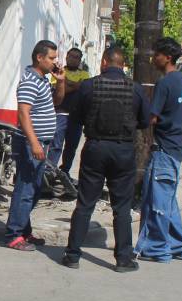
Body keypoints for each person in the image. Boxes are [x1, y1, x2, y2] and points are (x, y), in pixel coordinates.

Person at [62, 47, 149, 273]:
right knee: (122, 207)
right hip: (123, 151)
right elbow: (144, 121)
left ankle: (72, 255)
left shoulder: (88, 85)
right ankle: (123, 259)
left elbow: (76, 118)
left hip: (95, 148)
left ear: (103, 62)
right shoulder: (136, 88)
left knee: (85, 204)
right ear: (123, 65)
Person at [134, 38, 182, 262]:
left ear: (167, 57)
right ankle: (180, 246)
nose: (153, 58)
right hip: (176, 148)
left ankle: (157, 248)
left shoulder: (165, 83)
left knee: (156, 201)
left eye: (157, 54)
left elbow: (152, 117)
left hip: (164, 149)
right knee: (168, 199)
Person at [5, 40, 65, 251]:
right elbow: (23, 113)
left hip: (41, 142)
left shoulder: (42, 80)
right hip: (32, 143)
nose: (55, 62)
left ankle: (24, 230)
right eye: (51, 58)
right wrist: (34, 143)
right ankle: (14, 234)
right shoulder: (30, 80)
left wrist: (61, 82)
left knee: (35, 188)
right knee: (26, 189)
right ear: (39, 58)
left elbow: (57, 102)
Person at [57, 50, 91, 176]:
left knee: (71, 148)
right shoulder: (59, 71)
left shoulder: (85, 74)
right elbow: (59, 89)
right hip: (60, 114)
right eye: (72, 56)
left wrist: (65, 82)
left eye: (77, 58)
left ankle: (64, 172)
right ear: (66, 57)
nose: (74, 59)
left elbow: (82, 88)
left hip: (76, 117)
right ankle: (49, 171)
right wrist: (74, 85)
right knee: (56, 145)